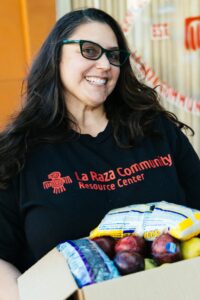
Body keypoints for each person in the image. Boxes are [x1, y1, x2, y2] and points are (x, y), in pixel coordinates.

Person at [0, 7, 200, 299]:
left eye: (114, 55)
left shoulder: (155, 130)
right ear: (56, 56)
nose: (106, 65)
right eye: (90, 50)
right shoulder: (19, 150)